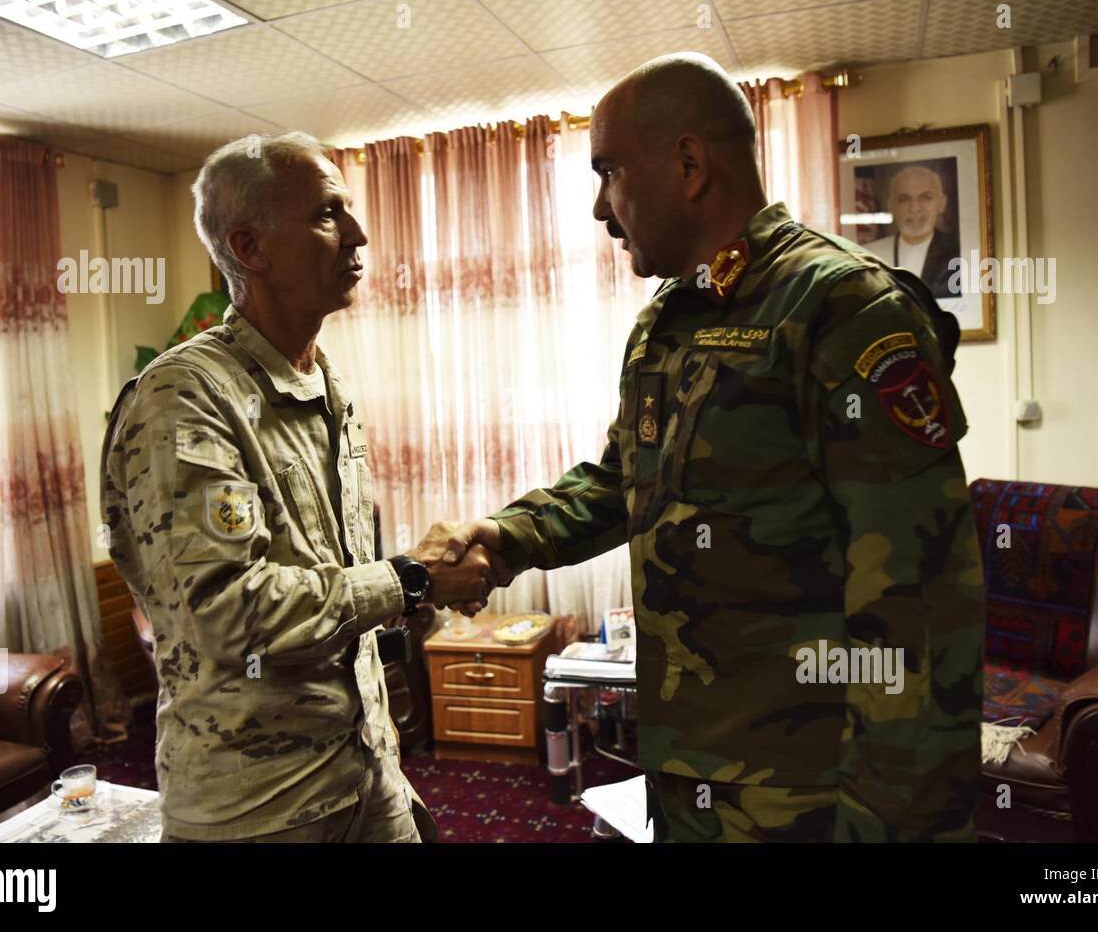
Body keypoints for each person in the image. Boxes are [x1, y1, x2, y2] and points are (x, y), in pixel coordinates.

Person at [444, 54, 984, 842]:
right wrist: (504, 538)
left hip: (809, 795)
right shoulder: (669, 316)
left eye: (609, 173)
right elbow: (625, 480)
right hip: (693, 772)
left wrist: (895, 821)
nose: (601, 208)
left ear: (690, 165)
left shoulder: (841, 306)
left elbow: (922, 598)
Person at [101, 132, 503, 842]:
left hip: (365, 771)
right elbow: (231, 615)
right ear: (250, 248)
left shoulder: (326, 384)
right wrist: (410, 580)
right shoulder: (184, 397)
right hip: (261, 808)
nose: (359, 234)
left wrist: (420, 596)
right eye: (327, 214)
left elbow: (331, 579)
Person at [863, 164, 960, 299]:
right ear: (891, 206)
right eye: (903, 199)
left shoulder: (958, 250)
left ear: (942, 203)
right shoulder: (869, 256)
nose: (914, 208)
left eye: (926, 197)